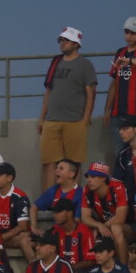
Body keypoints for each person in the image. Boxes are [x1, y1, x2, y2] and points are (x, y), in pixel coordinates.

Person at [38, 27, 97, 182]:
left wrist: (85, 119)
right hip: (52, 120)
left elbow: (91, 93)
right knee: (48, 163)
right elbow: (48, 91)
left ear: (76, 44)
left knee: (74, 164)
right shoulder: (55, 62)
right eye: (61, 40)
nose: (62, 43)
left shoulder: (85, 64)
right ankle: (48, 202)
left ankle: (74, 200)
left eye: (67, 40)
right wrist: (42, 118)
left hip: (75, 121)